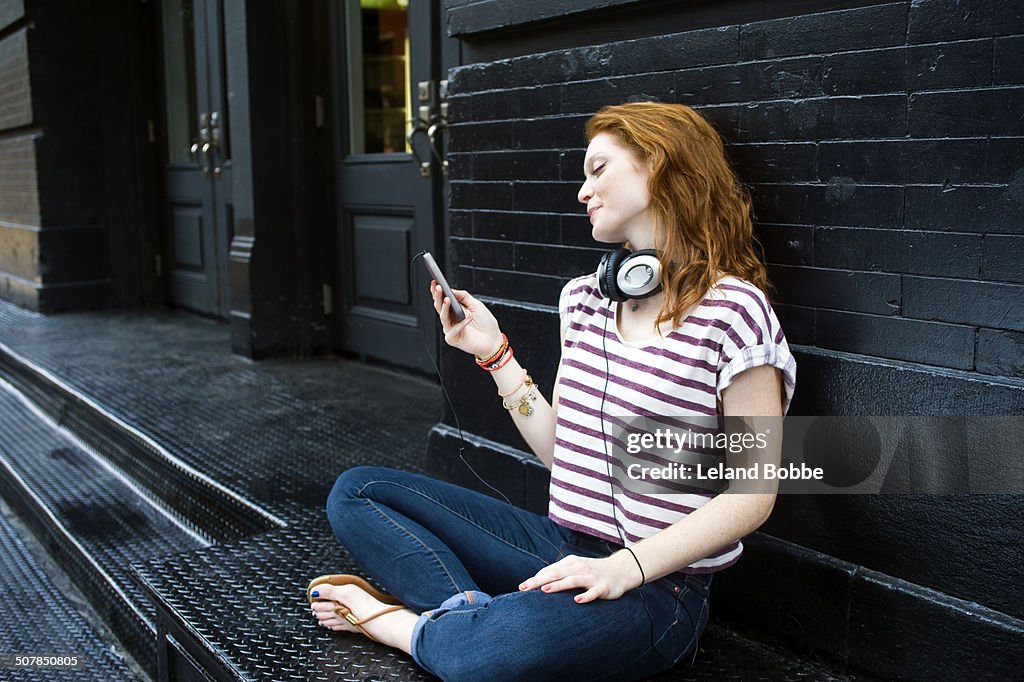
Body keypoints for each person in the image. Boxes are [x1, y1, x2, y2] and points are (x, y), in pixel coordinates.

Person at [308, 101, 796, 681]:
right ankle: (467, 621)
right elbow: (563, 453)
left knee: (489, 657)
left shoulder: (735, 312)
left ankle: (396, 625)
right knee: (358, 492)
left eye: (597, 169)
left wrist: (626, 567)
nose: (582, 191)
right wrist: (493, 354)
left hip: (659, 591)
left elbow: (752, 496)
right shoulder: (586, 300)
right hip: (557, 544)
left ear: (659, 166)